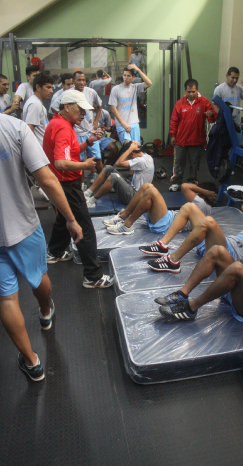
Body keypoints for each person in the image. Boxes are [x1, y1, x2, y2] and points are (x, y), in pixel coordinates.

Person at [0, 113, 82, 382]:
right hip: (24, 225)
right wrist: (70, 219)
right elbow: (47, 179)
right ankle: (46, 312)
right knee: (39, 276)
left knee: (7, 299)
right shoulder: (13, 126)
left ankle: (33, 362)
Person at [43, 89, 114, 289]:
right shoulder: (63, 128)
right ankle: (93, 276)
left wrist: (90, 142)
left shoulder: (60, 123)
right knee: (84, 228)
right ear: (67, 107)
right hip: (67, 184)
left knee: (63, 217)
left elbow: (71, 152)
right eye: (81, 110)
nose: (84, 114)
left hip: (61, 183)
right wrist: (85, 166)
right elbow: (61, 162)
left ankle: (54, 252)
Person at [140, 200, 243, 273]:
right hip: (215, 244)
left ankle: (173, 261)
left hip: (227, 254)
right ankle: (162, 245)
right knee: (189, 207)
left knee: (209, 222)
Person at [105, 181, 217, 240]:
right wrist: (205, 192)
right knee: (146, 187)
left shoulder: (203, 204)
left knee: (151, 191)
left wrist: (206, 192)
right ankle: (123, 217)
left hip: (167, 224)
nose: (196, 193)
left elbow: (184, 186)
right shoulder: (203, 205)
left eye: (199, 191)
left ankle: (127, 225)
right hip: (166, 219)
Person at [169, 79, 218, 191]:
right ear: (185, 91)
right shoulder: (180, 103)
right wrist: (173, 135)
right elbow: (174, 120)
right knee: (178, 163)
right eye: (189, 92)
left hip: (197, 140)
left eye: (193, 91)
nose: (191, 94)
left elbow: (212, 119)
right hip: (181, 139)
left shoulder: (204, 102)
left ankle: (192, 182)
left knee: (194, 163)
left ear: (197, 90)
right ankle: (176, 182)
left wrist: (211, 115)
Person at [84, 140, 154, 208]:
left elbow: (118, 163)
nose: (129, 158)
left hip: (135, 197)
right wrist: (133, 147)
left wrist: (130, 149)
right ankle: (87, 193)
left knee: (114, 177)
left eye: (129, 157)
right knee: (108, 168)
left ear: (132, 153)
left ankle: (91, 201)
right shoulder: (148, 156)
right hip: (132, 188)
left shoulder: (140, 161)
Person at [108, 65, 152, 144]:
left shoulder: (135, 87)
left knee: (136, 149)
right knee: (127, 147)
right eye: (124, 75)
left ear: (133, 77)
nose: (126, 77)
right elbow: (113, 108)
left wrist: (138, 69)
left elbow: (149, 83)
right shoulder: (116, 89)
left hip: (134, 124)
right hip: (122, 125)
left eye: (128, 76)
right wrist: (124, 124)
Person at [73, 71, 104, 175]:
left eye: (83, 80)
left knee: (97, 159)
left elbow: (99, 106)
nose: (82, 82)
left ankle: (103, 182)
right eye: (79, 80)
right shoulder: (68, 94)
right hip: (76, 133)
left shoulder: (91, 92)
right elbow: (56, 110)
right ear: (74, 81)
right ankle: (81, 185)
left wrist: (96, 122)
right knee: (79, 162)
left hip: (90, 132)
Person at [22, 72, 54, 145]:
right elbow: (29, 131)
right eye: (48, 87)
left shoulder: (37, 102)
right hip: (39, 150)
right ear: (38, 87)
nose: (51, 91)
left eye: (52, 88)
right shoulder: (35, 104)